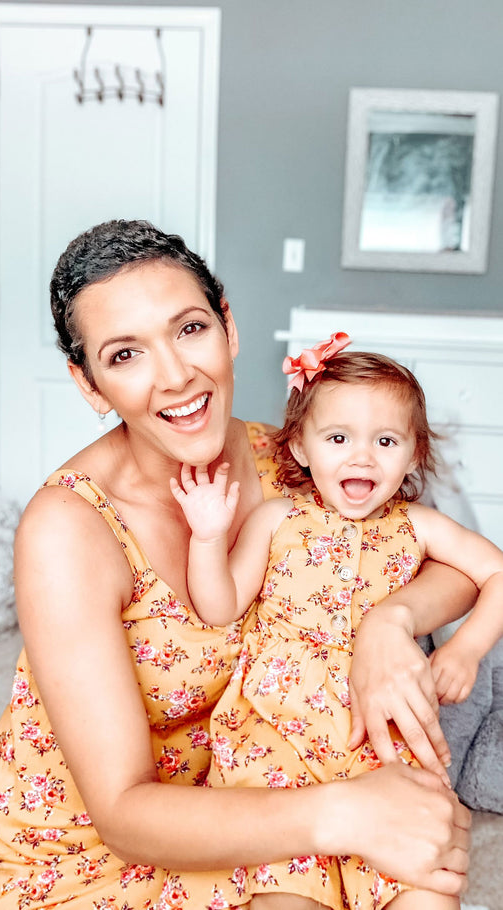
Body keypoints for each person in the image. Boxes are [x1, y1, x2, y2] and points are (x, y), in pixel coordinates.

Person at [0, 222, 473, 909]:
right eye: (124, 355)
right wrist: (352, 811)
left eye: (189, 329)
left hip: (262, 796)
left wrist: (393, 619)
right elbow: (122, 813)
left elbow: (428, 551)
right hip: (93, 855)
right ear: (88, 385)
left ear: (228, 328)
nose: (176, 375)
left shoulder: (288, 461)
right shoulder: (70, 529)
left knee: (428, 870)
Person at [171, 335, 503, 908]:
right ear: (300, 447)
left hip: (385, 745)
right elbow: (219, 606)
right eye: (338, 438)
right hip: (278, 747)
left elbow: (496, 571)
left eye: (386, 440)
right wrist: (206, 537)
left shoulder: (419, 526)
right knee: (285, 893)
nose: (362, 456)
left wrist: (465, 649)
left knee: (426, 891)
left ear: (414, 453)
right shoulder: (278, 518)